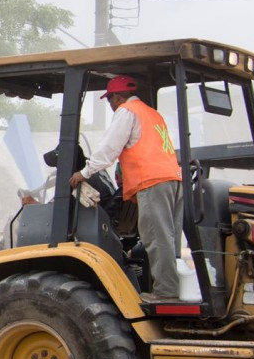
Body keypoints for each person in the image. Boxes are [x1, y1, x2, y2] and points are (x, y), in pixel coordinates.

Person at [69, 75, 183, 301]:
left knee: (156, 237)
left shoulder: (127, 111)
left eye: (110, 100)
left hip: (152, 181)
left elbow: (110, 148)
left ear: (118, 97)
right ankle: (175, 289)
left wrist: (84, 172)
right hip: (172, 179)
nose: (110, 106)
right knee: (170, 238)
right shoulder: (152, 113)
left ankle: (167, 293)